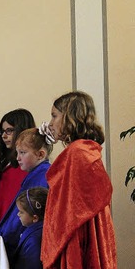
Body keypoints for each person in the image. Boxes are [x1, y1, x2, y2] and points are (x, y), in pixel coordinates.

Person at [41, 91, 117, 268]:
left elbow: (70, 212)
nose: (51, 123)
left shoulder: (77, 153)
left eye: (54, 116)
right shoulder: (83, 149)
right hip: (84, 232)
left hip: (77, 235)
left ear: (69, 117)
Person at [0, 128, 51, 256]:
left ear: (40, 155)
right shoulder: (35, 174)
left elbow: (23, 214)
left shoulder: (41, 177)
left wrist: (0, 235)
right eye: (17, 153)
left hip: (32, 244)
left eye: (22, 152)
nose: (18, 158)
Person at [0, 109, 35, 229]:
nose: (3, 136)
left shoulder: (27, 169)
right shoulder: (7, 165)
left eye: (9, 131)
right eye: (2, 131)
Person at [13, 187, 49, 269]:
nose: (18, 214)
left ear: (35, 218)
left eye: (21, 212)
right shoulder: (38, 231)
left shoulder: (34, 240)